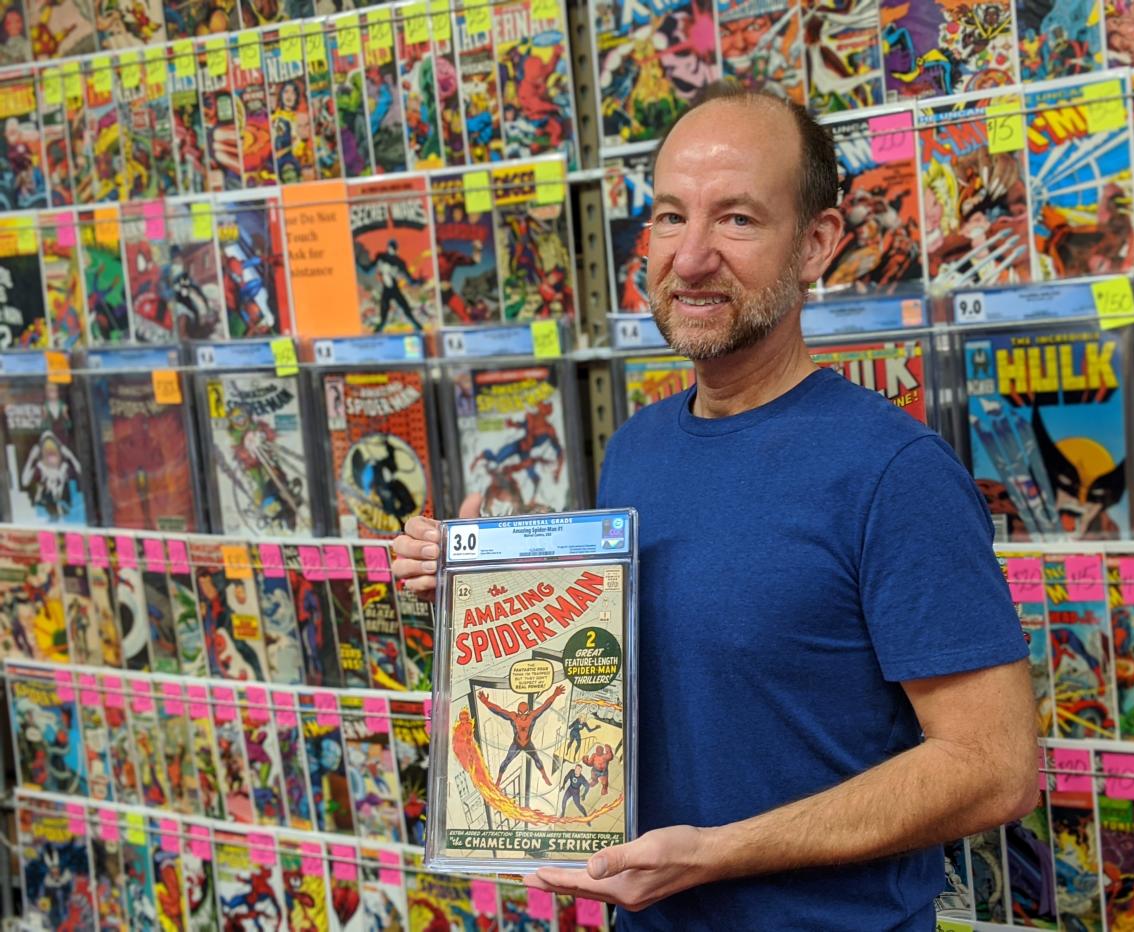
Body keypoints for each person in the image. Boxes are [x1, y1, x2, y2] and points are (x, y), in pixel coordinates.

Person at [393, 84, 1038, 928]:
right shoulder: (637, 448)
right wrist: (483, 580)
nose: (690, 258)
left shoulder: (893, 470)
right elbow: (634, 679)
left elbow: (995, 767)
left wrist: (715, 854)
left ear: (816, 244)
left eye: (736, 219)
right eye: (669, 217)